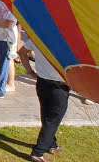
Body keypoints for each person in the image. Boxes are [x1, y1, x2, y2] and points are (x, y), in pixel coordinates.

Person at [22, 29, 68, 162]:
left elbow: (21, 51)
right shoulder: (65, 43)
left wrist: (29, 70)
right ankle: (38, 152)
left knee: (47, 116)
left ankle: (51, 144)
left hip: (42, 83)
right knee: (52, 119)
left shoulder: (40, 38)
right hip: (58, 86)